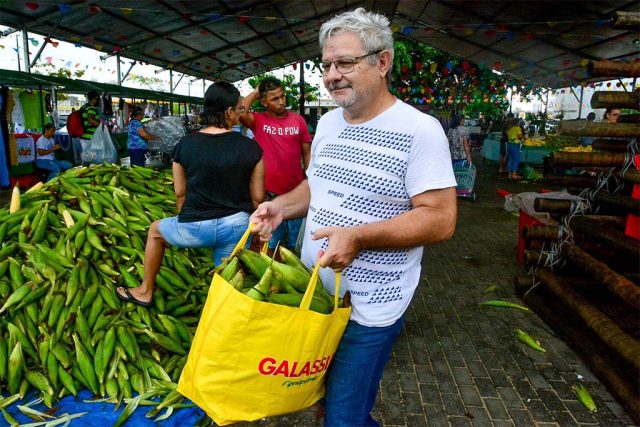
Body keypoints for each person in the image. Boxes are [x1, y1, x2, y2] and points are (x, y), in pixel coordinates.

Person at [249, 8, 457, 426]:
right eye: (326, 64)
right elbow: (318, 184)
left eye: (345, 62)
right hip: (316, 298)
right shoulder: (326, 123)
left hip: (368, 310)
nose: (331, 75)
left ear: (382, 63)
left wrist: (358, 237)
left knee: (343, 417)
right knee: (327, 404)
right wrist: (281, 207)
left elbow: (440, 218)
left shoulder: (420, 130)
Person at [116, 81, 265, 307]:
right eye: (238, 109)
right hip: (236, 226)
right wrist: (255, 235)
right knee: (228, 283)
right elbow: (257, 198)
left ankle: (145, 291)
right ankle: (226, 314)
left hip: (195, 227)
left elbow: (180, 193)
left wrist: (187, 220)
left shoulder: (184, 145)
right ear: (228, 112)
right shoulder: (251, 147)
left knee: (156, 231)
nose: (241, 114)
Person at [239, 77, 312, 251]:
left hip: (297, 195)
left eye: (282, 96)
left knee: (296, 245)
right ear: (263, 102)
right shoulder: (258, 120)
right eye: (274, 99)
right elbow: (240, 112)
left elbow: (307, 152)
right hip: (270, 197)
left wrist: (310, 181)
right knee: (271, 244)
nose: (281, 102)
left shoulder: (298, 120)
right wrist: (256, 92)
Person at [78, 90, 101, 159]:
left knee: (86, 156)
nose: (97, 101)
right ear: (94, 98)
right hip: (90, 137)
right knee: (93, 158)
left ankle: (86, 167)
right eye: (97, 99)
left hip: (83, 135)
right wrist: (102, 126)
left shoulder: (83, 107)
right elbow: (90, 119)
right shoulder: (91, 108)